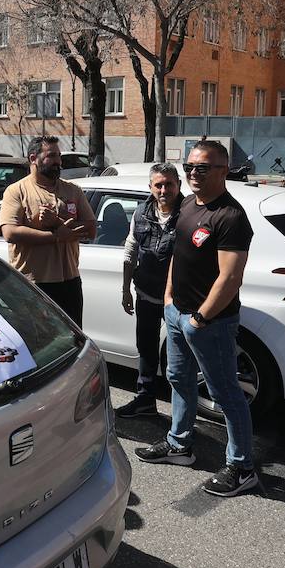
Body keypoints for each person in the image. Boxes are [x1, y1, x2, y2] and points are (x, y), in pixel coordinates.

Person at [135, 140, 259, 498]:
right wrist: (170, 297)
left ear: (223, 170)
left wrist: (201, 318)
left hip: (210, 322)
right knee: (178, 378)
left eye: (202, 168)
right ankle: (180, 445)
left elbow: (230, 277)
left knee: (225, 392)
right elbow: (179, 253)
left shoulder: (230, 217)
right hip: (177, 313)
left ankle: (241, 467)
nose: (193, 173)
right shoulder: (188, 204)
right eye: (190, 167)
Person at [0, 136, 96, 325]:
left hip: (70, 282)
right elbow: (10, 232)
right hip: (33, 283)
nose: (58, 161)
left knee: (72, 339)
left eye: (59, 156)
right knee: (39, 343)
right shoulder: (16, 191)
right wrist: (56, 236)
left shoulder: (73, 190)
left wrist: (58, 222)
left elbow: (91, 229)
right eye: (51, 156)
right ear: (33, 158)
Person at [116, 163, 182, 418]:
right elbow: (131, 250)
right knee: (146, 348)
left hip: (179, 300)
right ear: (151, 187)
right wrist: (125, 289)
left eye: (169, 184)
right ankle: (145, 401)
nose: (164, 189)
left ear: (178, 184)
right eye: (159, 185)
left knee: (180, 357)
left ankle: (181, 411)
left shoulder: (188, 212)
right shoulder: (141, 212)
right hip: (145, 293)